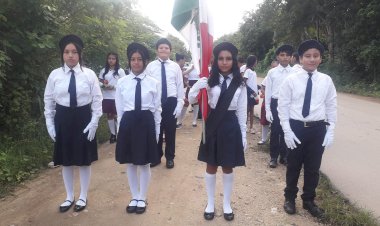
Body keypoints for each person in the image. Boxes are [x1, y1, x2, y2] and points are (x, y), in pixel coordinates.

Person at [278, 39, 337, 218]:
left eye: (316, 56)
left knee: (313, 167)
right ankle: (289, 198)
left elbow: (331, 105)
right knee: (294, 165)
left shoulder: (326, 80)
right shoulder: (291, 80)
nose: (312, 59)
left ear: (320, 59)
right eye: (308, 56)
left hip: (317, 129)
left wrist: (331, 128)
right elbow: (283, 106)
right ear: (301, 59)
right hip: (296, 127)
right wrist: (287, 130)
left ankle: (309, 200)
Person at [189, 42, 247, 221]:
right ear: (215, 60)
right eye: (221, 58)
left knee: (228, 166)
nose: (224, 62)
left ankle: (227, 203)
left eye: (228, 58)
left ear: (234, 60)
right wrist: (198, 86)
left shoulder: (240, 83)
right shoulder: (209, 80)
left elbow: (242, 112)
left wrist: (243, 135)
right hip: (212, 124)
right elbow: (192, 99)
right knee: (211, 165)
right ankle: (210, 203)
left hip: (230, 126)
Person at [44, 34, 103, 212]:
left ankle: (83, 196)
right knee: (66, 160)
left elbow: (97, 99)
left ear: (79, 54)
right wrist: (49, 121)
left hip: (84, 118)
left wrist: (94, 121)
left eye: (74, 52)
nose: (70, 55)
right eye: (67, 52)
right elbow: (48, 100)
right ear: (62, 54)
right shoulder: (55, 75)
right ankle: (69, 196)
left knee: (84, 160)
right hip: (63, 118)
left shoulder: (89, 74)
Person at [115, 42, 161, 214]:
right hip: (128, 122)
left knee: (144, 163)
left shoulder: (153, 83)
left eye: (139, 59)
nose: (136, 62)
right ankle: (134, 196)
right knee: (130, 162)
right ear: (129, 61)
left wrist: (156, 131)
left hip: (146, 122)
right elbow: (119, 109)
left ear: (145, 61)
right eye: (133, 59)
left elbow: (157, 109)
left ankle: (142, 196)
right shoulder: (122, 82)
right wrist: (120, 128)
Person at [145, 38, 184, 169]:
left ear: (170, 51)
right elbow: (146, 85)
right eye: (161, 47)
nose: (163, 50)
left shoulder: (175, 66)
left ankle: (170, 158)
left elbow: (179, 85)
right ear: (157, 50)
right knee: (156, 130)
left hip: (171, 101)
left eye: (166, 48)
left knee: (170, 131)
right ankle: (156, 157)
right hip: (155, 102)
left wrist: (180, 103)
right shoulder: (150, 66)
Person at [265, 44, 294, 168]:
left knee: (286, 130)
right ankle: (273, 157)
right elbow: (268, 92)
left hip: (290, 105)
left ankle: (284, 156)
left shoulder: (294, 72)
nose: (285, 58)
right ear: (278, 56)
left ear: (291, 57)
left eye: (288, 55)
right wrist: (267, 109)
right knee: (275, 131)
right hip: (276, 103)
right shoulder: (272, 72)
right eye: (282, 55)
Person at [98, 52, 126, 143]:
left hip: (117, 96)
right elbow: (99, 82)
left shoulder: (120, 71)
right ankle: (113, 135)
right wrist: (103, 86)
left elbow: (125, 84)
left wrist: (113, 87)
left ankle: (120, 133)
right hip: (106, 96)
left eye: (113, 58)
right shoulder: (103, 71)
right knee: (109, 115)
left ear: (116, 60)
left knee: (118, 115)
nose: (111, 60)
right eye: (109, 58)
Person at [243, 55, 259, 134]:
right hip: (248, 94)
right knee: (247, 110)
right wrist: (251, 91)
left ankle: (251, 127)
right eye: (256, 61)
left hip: (254, 94)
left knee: (252, 110)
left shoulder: (254, 71)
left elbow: (253, 83)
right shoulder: (248, 71)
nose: (257, 62)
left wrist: (257, 89)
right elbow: (244, 82)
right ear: (253, 61)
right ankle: (244, 126)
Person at [258, 76, 270, 144]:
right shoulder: (269, 76)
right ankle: (264, 139)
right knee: (264, 120)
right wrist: (267, 96)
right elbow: (262, 88)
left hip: (279, 101)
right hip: (267, 101)